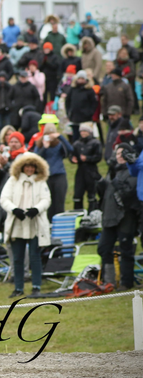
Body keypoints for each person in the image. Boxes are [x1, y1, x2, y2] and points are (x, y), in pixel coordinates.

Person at [0, 152, 51, 298]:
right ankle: (18, 287)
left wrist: (36, 209)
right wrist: (14, 209)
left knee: (35, 256)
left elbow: (46, 199)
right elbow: (4, 199)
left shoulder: (41, 181)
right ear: (21, 167)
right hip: (18, 223)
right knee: (17, 257)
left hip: (35, 223)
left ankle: (36, 287)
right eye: (27, 166)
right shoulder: (13, 180)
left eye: (32, 166)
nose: (29, 169)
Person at [101, 145, 138, 291]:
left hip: (126, 217)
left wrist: (117, 184)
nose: (119, 156)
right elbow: (105, 196)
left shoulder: (134, 171)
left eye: (123, 154)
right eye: (117, 154)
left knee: (126, 250)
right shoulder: (112, 171)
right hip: (109, 217)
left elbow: (130, 195)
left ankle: (126, 283)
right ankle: (109, 282)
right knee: (104, 248)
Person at [35, 124, 72, 221]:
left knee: (59, 202)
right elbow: (36, 158)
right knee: (48, 203)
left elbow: (70, 150)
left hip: (59, 175)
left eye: (52, 134)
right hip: (46, 177)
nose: (50, 136)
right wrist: (44, 147)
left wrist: (60, 137)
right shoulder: (40, 144)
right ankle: (49, 225)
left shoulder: (59, 144)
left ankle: (59, 224)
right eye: (47, 134)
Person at [70, 124, 101, 211]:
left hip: (91, 170)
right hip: (80, 170)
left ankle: (93, 212)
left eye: (85, 131)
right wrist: (73, 159)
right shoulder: (77, 143)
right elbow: (72, 155)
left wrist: (87, 158)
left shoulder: (95, 143)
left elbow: (98, 157)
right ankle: (78, 213)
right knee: (78, 194)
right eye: (81, 131)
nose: (83, 133)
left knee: (92, 194)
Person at [66, 70, 99, 141]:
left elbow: (94, 103)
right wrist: (69, 112)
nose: (80, 80)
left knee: (86, 138)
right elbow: (67, 101)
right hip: (74, 118)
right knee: (75, 137)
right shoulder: (72, 89)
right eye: (79, 78)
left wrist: (89, 113)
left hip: (85, 119)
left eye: (82, 78)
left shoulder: (89, 90)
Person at [40, 42, 62, 107]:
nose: (46, 50)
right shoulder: (42, 56)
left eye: (47, 49)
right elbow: (40, 67)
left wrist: (47, 62)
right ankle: (44, 107)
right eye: (45, 49)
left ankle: (52, 107)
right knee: (44, 94)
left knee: (52, 94)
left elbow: (55, 66)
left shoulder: (55, 57)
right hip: (43, 79)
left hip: (52, 78)